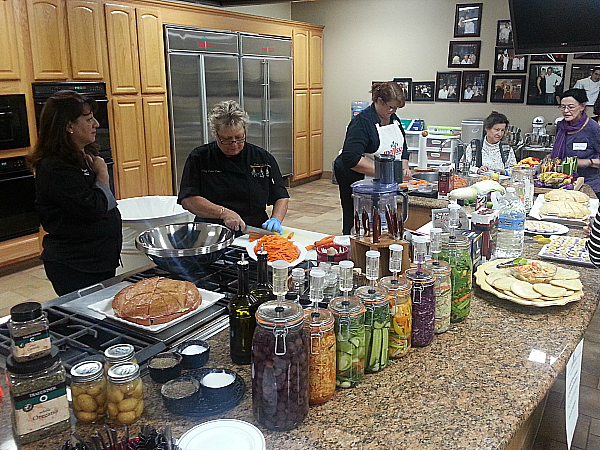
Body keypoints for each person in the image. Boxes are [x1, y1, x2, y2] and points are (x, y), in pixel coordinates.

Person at [27, 90, 122, 296]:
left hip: (97, 260)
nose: (96, 124)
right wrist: (102, 173)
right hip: (76, 266)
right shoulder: (55, 167)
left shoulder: (83, 155)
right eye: (88, 120)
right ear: (69, 126)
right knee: (86, 321)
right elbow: (95, 208)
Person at [178, 100, 289, 234]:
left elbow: (281, 195)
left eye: (239, 138)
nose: (234, 144)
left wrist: (276, 219)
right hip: (211, 230)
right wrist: (223, 213)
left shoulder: (262, 158)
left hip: (253, 229)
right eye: (227, 139)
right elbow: (188, 199)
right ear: (216, 134)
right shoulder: (199, 157)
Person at [333, 82, 411, 235]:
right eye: (391, 107)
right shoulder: (362, 122)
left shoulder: (394, 119)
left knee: (382, 219)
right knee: (358, 220)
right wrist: (384, 172)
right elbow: (351, 158)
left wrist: (404, 166)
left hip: (383, 179)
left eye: (396, 108)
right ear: (379, 101)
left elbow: (403, 148)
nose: (394, 111)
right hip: (356, 177)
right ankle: (353, 243)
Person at [551, 89, 600, 199]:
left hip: (589, 186)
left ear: (582, 106)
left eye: (571, 107)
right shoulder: (561, 126)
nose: (566, 111)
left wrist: (587, 162)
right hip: (563, 184)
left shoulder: (593, 129)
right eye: (563, 107)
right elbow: (560, 152)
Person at [475, 111, 517, 176]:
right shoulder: (474, 146)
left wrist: (504, 172)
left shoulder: (506, 149)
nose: (500, 134)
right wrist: (477, 170)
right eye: (497, 130)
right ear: (487, 128)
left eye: (502, 130)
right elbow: (462, 166)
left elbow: (515, 169)